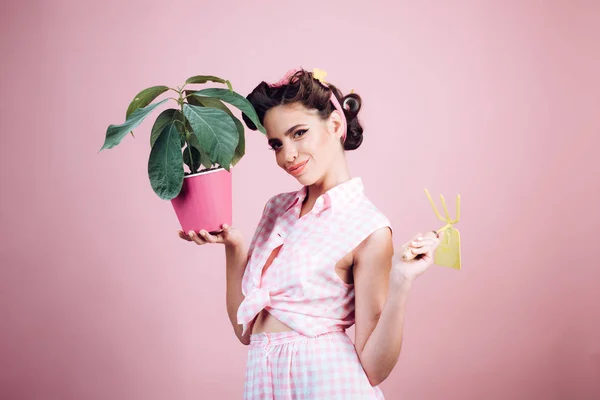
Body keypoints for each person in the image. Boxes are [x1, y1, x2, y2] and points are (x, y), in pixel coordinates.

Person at [178, 68, 442, 399]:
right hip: (265, 385)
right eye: (276, 143)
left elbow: (374, 367)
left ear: (334, 125)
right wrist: (234, 247)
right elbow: (245, 329)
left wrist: (402, 281)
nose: (287, 155)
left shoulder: (368, 227)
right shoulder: (276, 210)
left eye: (299, 133)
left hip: (329, 386)